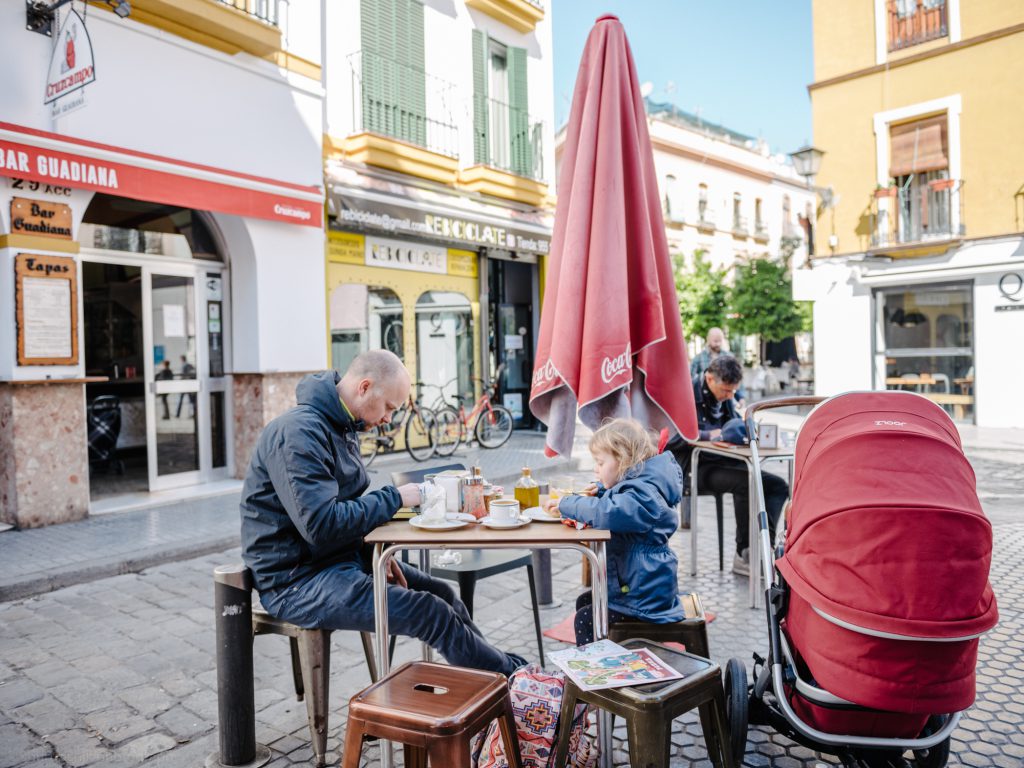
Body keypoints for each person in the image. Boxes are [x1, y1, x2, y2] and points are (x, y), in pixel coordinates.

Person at [240, 349, 526, 676]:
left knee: (443, 594)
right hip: (296, 581)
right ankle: (513, 679)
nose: (389, 418)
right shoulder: (298, 433)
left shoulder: (340, 425)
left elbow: (340, 516)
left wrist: (375, 554)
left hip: (334, 562)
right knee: (431, 613)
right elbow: (321, 524)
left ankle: (501, 678)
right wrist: (396, 497)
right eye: (389, 407)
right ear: (364, 387)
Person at [543, 418, 684, 645]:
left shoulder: (644, 496)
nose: (595, 469)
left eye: (600, 463)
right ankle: (612, 655)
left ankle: (597, 673)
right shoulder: (643, 485)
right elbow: (623, 497)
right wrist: (601, 489)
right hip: (640, 585)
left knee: (585, 619)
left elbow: (609, 513)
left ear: (624, 461)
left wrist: (566, 504)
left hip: (643, 598)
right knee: (585, 601)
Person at [669, 355, 789, 576]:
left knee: (778, 485)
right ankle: (744, 553)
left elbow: (734, 426)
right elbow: (669, 438)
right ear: (709, 378)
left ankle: (762, 547)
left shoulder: (726, 399)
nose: (730, 396)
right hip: (693, 468)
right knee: (747, 482)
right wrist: (708, 435)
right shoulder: (683, 396)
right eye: (726, 390)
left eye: (734, 391)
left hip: (723, 461)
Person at [690, 327, 745, 407]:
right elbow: (691, 378)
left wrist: (740, 397)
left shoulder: (729, 356)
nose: (718, 344)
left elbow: (736, 381)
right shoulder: (698, 358)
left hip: (727, 402)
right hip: (706, 402)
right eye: (715, 341)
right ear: (708, 340)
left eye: (720, 341)